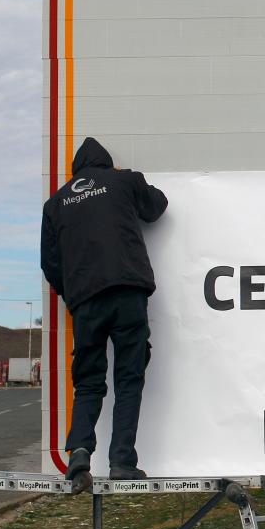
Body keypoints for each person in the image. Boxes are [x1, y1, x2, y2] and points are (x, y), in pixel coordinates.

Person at [40, 137, 168, 492]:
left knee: (89, 380)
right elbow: (157, 207)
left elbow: (50, 264)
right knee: (129, 376)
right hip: (128, 291)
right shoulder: (124, 181)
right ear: (106, 163)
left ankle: (79, 450)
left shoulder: (55, 204)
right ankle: (122, 462)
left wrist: (75, 295)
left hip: (86, 302)